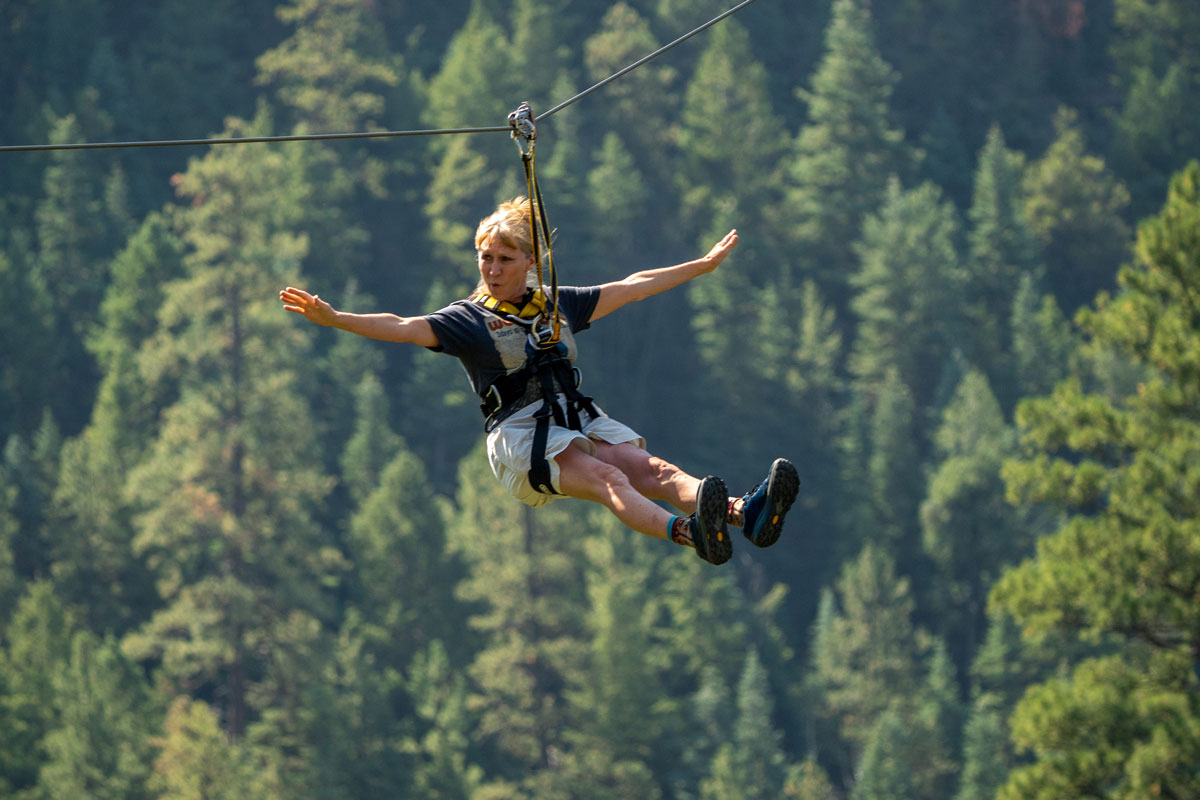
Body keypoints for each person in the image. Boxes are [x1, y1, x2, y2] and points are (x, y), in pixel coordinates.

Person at [279, 197, 797, 565]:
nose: (493, 269)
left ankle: (740, 514)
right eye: (486, 258)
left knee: (653, 468)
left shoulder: (558, 302)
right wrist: (338, 318)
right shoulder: (467, 319)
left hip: (577, 419)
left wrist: (700, 267)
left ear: (532, 262)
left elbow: (632, 287)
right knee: (610, 481)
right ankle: (689, 533)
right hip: (523, 438)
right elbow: (404, 326)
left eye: (505, 259)